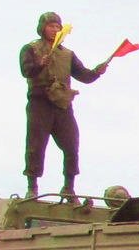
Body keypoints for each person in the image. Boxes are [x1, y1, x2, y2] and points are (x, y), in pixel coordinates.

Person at [19, 12, 107, 200]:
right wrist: (40, 65)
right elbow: (26, 71)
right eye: (51, 26)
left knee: (71, 144)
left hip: (62, 104)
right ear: (42, 27)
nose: (54, 29)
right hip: (39, 102)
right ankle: (32, 186)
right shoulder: (31, 49)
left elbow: (83, 76)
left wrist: (97, 72)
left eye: (57, 26)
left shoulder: (67, 54)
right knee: (36, 145)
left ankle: (69, 187)